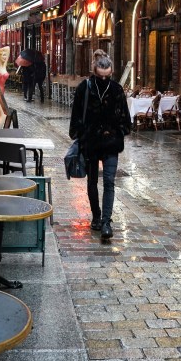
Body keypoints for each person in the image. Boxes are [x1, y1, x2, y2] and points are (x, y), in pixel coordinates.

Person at [69, 50, 131, 240]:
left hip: (111, 143)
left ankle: (106, 222)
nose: (104, 79)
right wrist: (81, 133)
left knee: (110, 182)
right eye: (100, 76)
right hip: (91, 143)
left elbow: (125, 118)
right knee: (92, 181)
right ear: (95, 72)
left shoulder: (116, 89)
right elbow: (76, 115)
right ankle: (96, 216)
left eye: (107, 76)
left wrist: (119, 132)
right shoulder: (85, 88)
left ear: (111, 73)